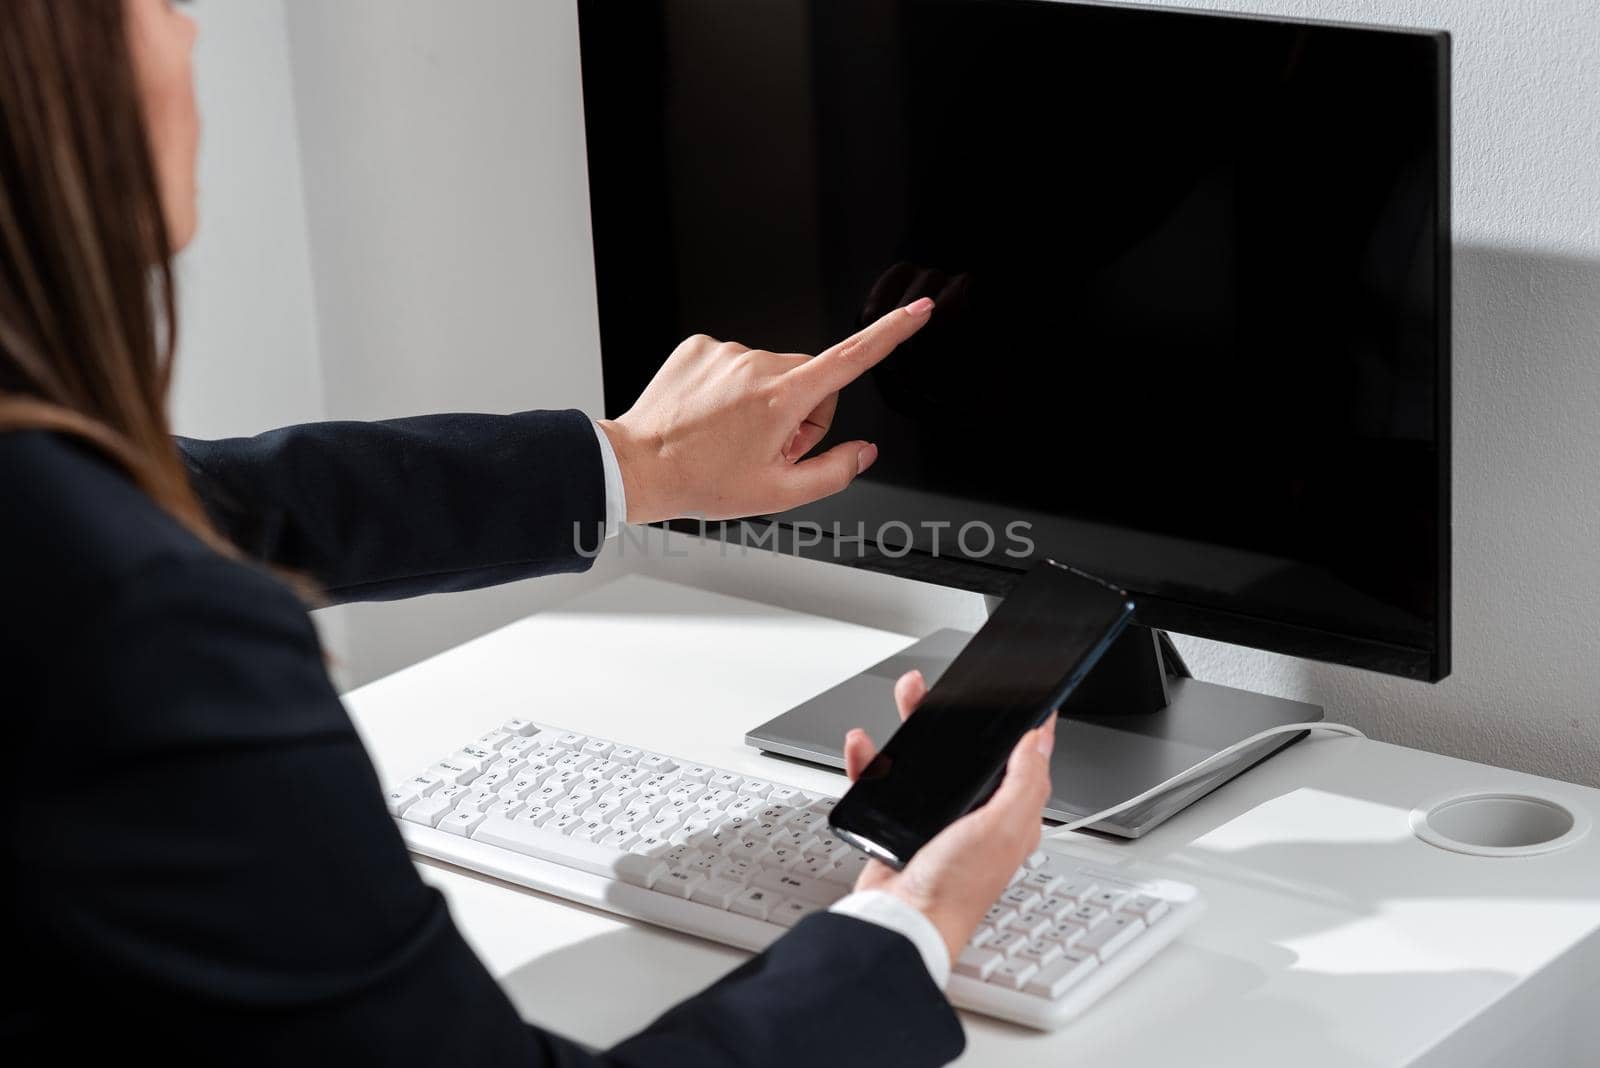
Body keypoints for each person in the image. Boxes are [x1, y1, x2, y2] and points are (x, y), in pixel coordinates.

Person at [0, 2, 1056, 1063]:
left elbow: (210, 500)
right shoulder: (139, 632)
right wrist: (905, 930)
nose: (186, 30)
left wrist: (634, 462)